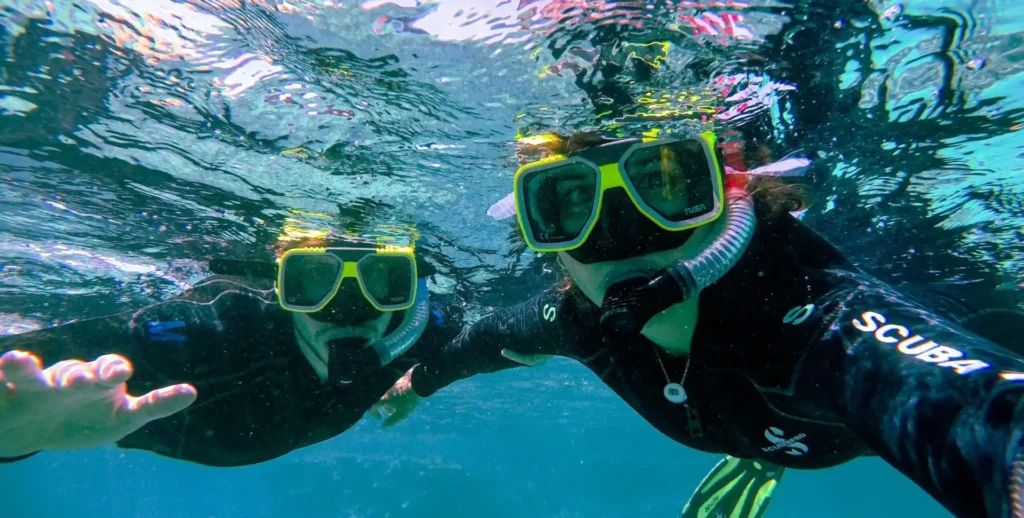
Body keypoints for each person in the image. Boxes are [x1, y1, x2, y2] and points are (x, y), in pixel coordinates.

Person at [377, 129, 1024, 518]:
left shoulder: (821, 324)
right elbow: (485, 341)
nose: (621, 235)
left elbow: (976, 412)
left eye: (666, 183)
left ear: (732, 197)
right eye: (570, 201)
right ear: (545, 236)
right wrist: (418, 384)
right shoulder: (579, 319)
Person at [0, 232, 459, 467]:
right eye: (314, 279)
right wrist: (15, 438)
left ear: (408, 290)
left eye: (384, 281)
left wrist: (423, 381)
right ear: (282, 286)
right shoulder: (209, 330)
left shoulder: (421, 327)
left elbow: (495, 337)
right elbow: (23, 372)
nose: (350, 312)